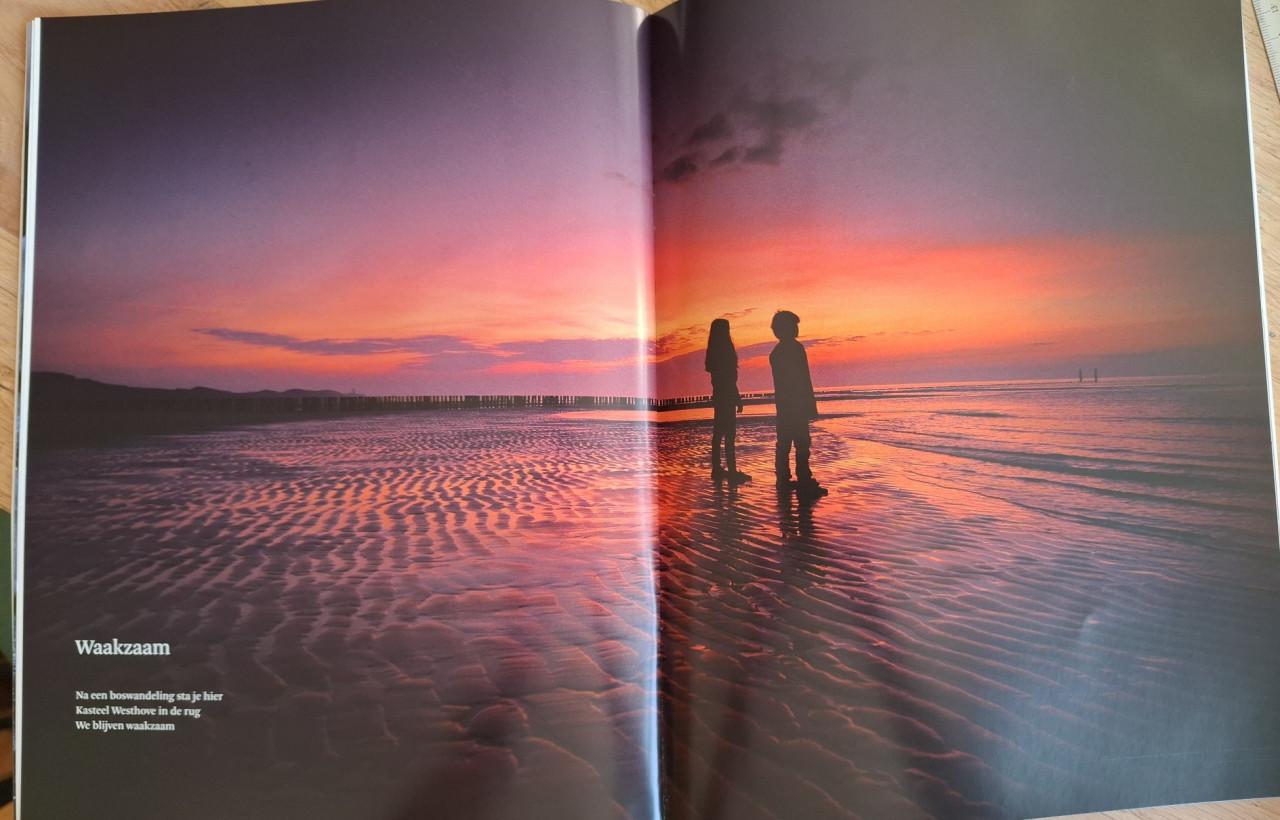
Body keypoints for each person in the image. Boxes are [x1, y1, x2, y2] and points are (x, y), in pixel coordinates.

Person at [769, 310, 827, 497]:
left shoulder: (777, 352)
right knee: (801, 443)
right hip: (795, 404)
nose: (796, 329)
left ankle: (784, 480)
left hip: (784, 405)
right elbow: (803, 380)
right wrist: (809, 405)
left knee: (785, 443)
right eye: (793, 325)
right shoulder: (794, 349)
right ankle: (803, 480)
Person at [706, 318, 751, 485]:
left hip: (719, 396)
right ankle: (730, 471)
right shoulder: (724, 352)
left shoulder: (713, 352)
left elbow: (723, 380)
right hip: (726, 396)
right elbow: (729, 381)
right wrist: (737, 398)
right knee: (729, 434)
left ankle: (717, 469)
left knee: (719, 433)